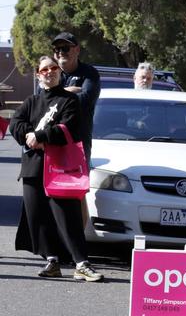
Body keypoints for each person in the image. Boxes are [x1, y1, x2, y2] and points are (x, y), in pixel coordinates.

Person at [9, 56, 103, 281]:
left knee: (67, 216)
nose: (49, 72)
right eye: (44, 69)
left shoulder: (70, 100)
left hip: (60, 170)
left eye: (53, 68)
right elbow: (15, 123)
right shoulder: (31, 101)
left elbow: (70, 127)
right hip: (34, 168)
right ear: (38, 74)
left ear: (59, 72)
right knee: (37, 217)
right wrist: (28, 135)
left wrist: (41, 136)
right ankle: (51, 261)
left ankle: (82, 263)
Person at [51, 32, 100, 164]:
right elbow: (41, 101)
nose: (60, 52)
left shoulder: (89, 73)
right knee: (49, 184)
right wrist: (69, 91)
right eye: (57, 49)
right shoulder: (49, 72)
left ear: (77, 50)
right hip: (50, 142)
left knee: (76, 184)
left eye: (65, 48)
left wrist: (54, 95)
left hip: (78, 144)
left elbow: (84, 101)